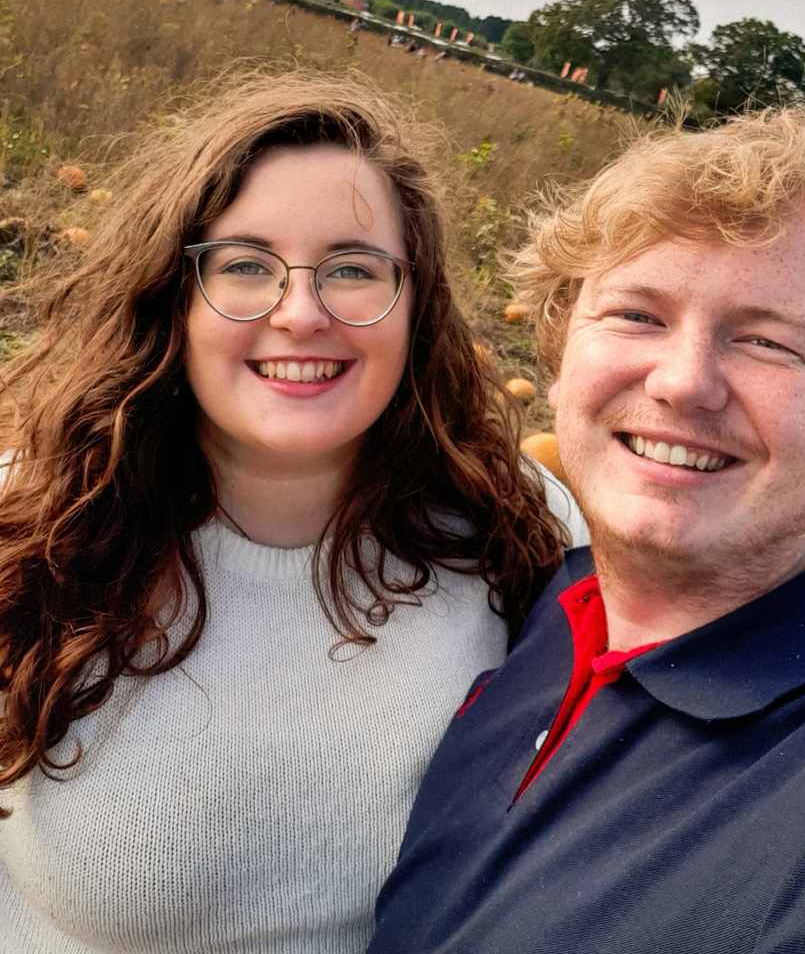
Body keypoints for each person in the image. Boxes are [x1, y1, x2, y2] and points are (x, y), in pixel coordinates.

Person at [371, 109, 805, 953]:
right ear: (560, 349)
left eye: (767, 340)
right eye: (638, 316)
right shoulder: (546, 599)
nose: (683, 383)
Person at [0, 71, 585, 952]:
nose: (300, 312)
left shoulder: (524, 526)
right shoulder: (30, 518)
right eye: (244, 265)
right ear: (173, 297)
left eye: (353, 268)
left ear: (415, 303)